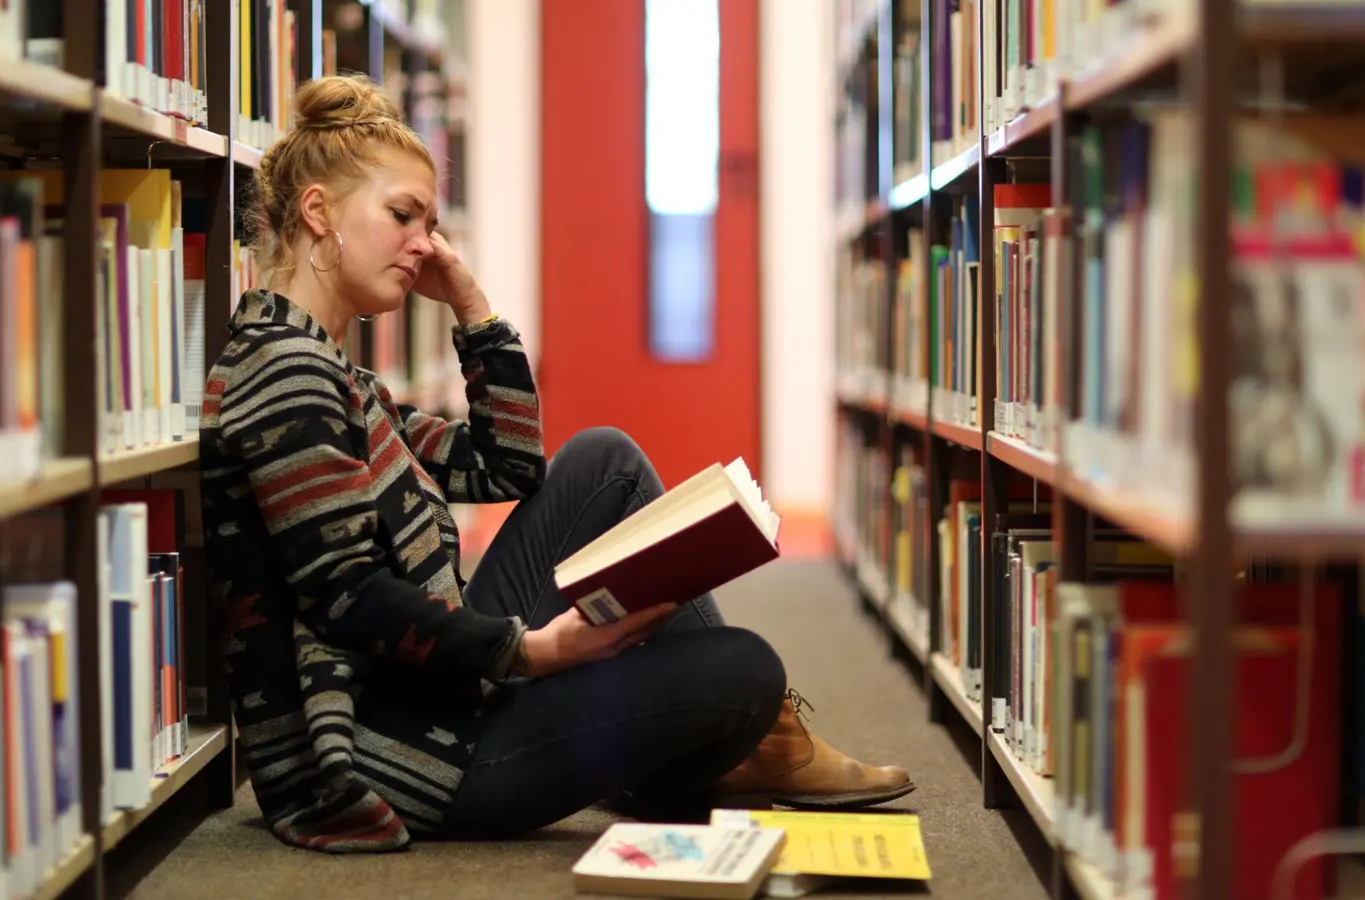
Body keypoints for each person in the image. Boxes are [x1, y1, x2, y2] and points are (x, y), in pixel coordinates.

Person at [199, 73, 914, 854]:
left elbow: (509, 470)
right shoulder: (285, 375)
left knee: (604, 460)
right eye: (403, 216)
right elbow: (347, 598)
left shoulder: (339, 376)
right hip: (398, 757)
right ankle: (733, 748)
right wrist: (533, 651)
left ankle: (739, 747)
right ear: (318, 214)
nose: (426, 245)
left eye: (431, 223)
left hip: (430, 696)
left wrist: (473, 309)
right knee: (746, 669)